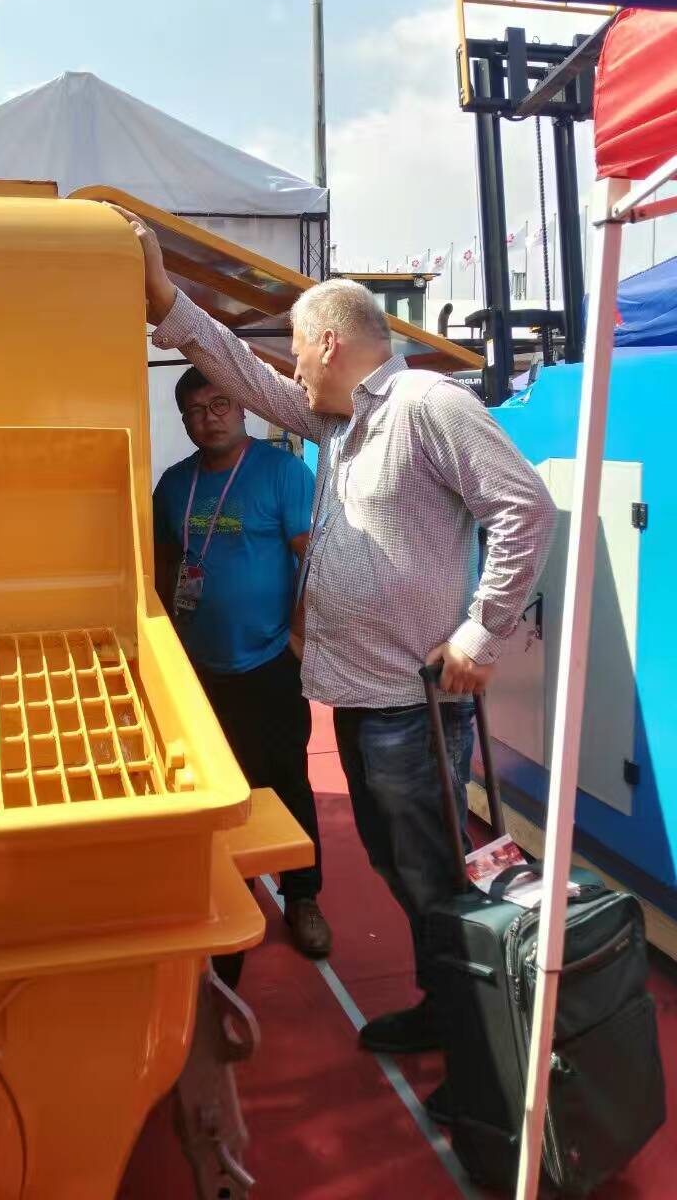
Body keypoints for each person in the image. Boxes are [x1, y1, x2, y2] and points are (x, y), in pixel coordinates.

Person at [115, 204, 555, 1120]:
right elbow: (241, 371)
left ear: (325, 343)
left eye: (297, 351)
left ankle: (485, 1067)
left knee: (435, 877)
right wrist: (164, 295)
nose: (291, 370)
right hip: (364, 697)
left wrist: (480, 632)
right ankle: (445, 1008)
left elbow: (524, 506)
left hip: (414, 704)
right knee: (402, 869)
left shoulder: (428, 406)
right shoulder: (341, 423)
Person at [153, 365, 331, 960]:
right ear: (185, 421)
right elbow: (163, 564)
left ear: (243, 408)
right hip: (198, 669)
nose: (210, 419)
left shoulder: (282, 473)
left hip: (270, 661)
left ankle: (303, 896)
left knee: (286, 780)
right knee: (220, 788)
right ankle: (237, 892)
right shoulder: (174, 485)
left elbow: (314, 563)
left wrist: (297, 639)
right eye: (195, 411)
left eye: (220, 404)